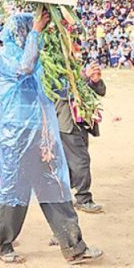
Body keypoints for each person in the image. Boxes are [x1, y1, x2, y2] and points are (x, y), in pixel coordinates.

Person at [0, 11, 102, 265]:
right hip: (16, 134)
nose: (33, 33)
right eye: (29, 29)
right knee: (15, 189)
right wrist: (38, 29)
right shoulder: (7, 55)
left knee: (55, 185)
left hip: (40, 132)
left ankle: (73, 246)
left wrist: (81, 78)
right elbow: (24, 68)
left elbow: (53, 88)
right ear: (20, 32)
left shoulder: (37, 59)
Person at [55, 61, 106, 213]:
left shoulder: (76, 67)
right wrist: (84, 77)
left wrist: (95, 80)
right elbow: (62, 91)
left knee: (72, 161)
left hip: (81, 122)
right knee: (81, 161)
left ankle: (63, 196)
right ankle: (83, 198)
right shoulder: (53, 69)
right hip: (67, 123)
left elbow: (100, 91)